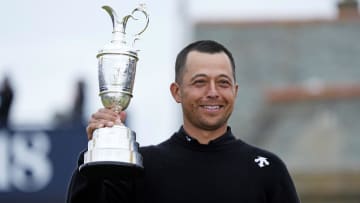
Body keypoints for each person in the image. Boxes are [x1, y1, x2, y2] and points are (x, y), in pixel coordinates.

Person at [67, 40, 300, 203]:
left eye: (223, 83)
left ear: (235, 92)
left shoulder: (267, 169)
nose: (213, 92)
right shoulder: (139, 167)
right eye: (200, 82)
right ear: (176, 92)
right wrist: (97, 156)